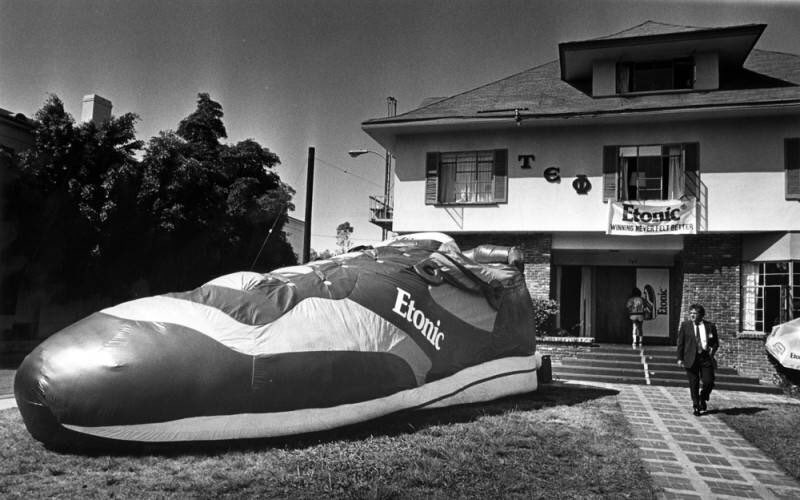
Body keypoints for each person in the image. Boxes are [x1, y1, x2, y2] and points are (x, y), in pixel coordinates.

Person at [676, 304, 720, 416]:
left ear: (701, 315)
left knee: (709, 381)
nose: (692, 315)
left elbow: (715, 343)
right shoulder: (685, 326)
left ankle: (703, 397)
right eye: (690, 313)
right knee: (694, 383)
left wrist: (712, 351)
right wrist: (680, 358)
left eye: (694, 313)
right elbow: (680, 343)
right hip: (691, 358)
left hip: (705, 358)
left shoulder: (710, 326)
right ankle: (696, 405)